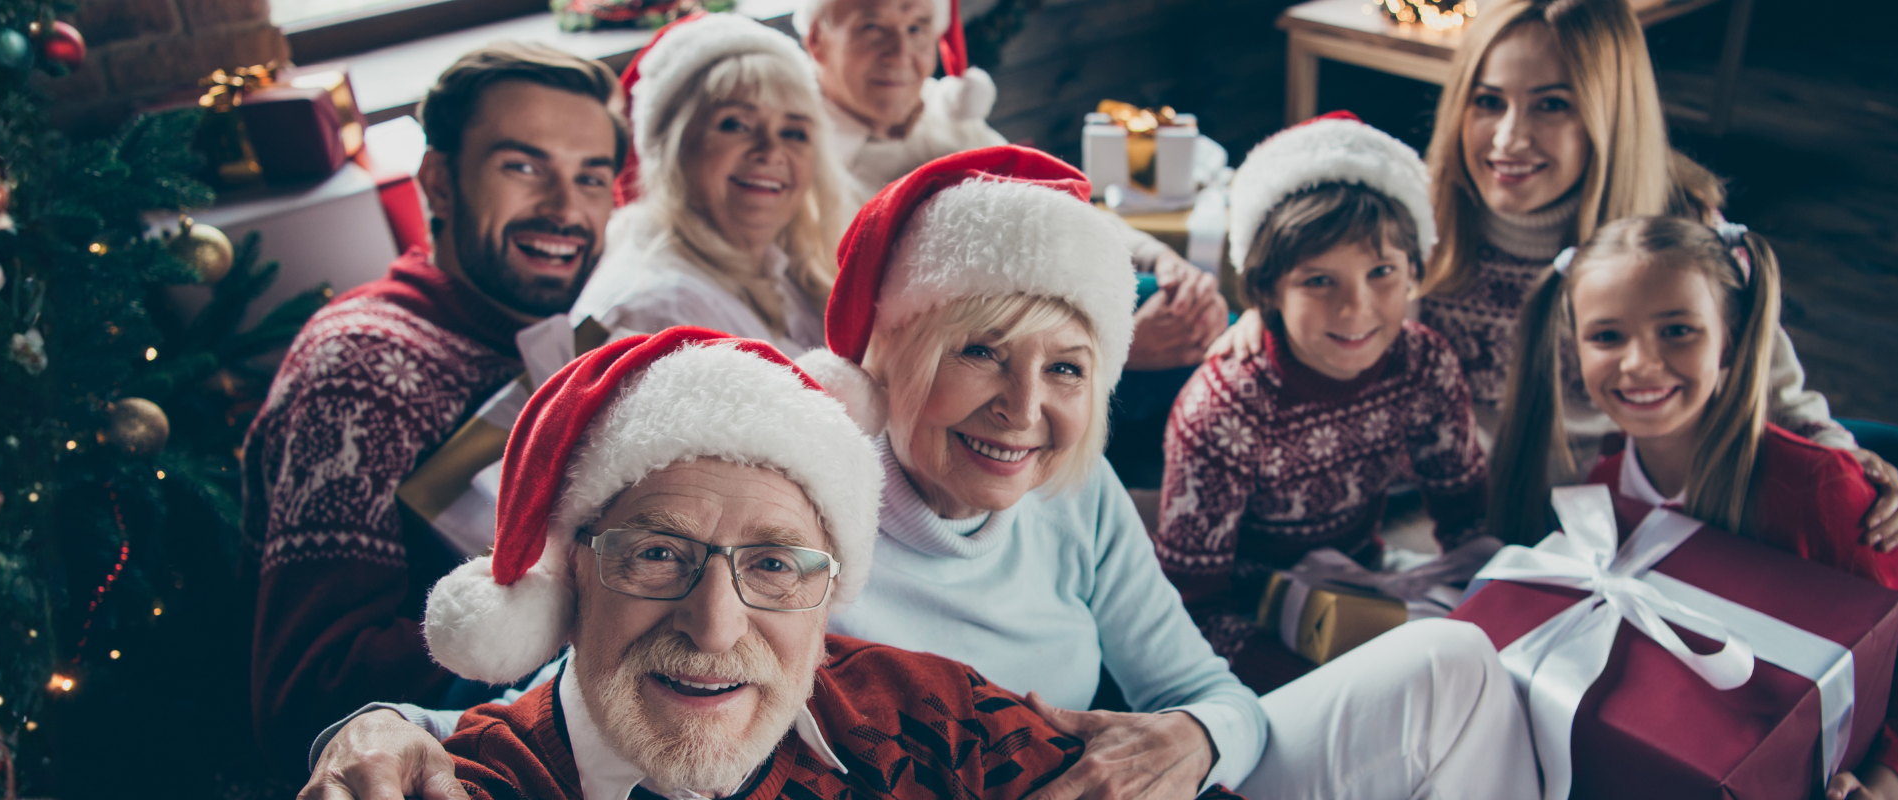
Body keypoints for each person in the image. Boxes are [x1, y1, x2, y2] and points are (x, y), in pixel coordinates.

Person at [301, 147, 1262, 800]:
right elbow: (589, 681)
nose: (1023, 407)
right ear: (890, 355)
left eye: (1067, 369)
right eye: (979, 352)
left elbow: (1205, 690)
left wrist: (1196, 738)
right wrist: (382, 725)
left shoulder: (1074, 495)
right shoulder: (785, 503)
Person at [1206, 0, 1898, 550]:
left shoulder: (1679, 227)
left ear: (1610, 114)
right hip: (1446, 518)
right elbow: (1319, 284)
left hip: (1629, 523)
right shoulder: (1416, 214)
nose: (1509, 138)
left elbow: (1772, 388)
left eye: (1552, 104)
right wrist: (1264, 319)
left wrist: (1846, 464)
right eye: (1488, 101)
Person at [420, 326, 1238, 799]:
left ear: (829, 594)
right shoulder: (466, 782)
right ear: (571, 575)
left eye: (774, 566)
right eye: (659, 554)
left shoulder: (934, 714)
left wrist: (1206, 735)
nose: (715, 627)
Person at [1486, 216, 1898, 799]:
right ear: (1576, 349)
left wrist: (1885, 786)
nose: (1639, 363)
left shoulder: (1821, 492)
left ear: (1730, 343)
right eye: (1607, 337)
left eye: (1677, 331)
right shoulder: (1603, 495)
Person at [244, 42, 622, 767]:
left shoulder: (578, 333)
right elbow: (310, 696)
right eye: (523, 167)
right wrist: (595, 605)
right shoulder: (360, 371)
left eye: (591, 178)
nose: (565, 208)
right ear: (439, 184)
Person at [1155, 114, 1487, 687]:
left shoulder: (1425, 364)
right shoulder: (1223, 410)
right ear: (1269, 289)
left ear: (1414, 271)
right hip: (1248, 631)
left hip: (1362, 585)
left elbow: (1468, 524)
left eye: (1381, 271)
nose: (1356, 307)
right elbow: (1191, 611)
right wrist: (1316, 682)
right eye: (1318, 280)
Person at [794, 0, 1231, 431]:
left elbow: (1052, 198)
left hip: (1064, 309)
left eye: (917, 28)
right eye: (872, 27)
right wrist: (1109, 353)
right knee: (1214, 374)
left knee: (1199, 317)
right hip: (992, 378)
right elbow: (861, 339)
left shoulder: (949, 116)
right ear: (817, 39)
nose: (900, 51)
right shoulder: (797, 163)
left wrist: (1163, 260)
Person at [568, 14, 849, 353]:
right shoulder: (660, 312)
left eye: (793, 133)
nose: (771, 151)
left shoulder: (779, 265)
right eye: (736, 124)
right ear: (670, 144)